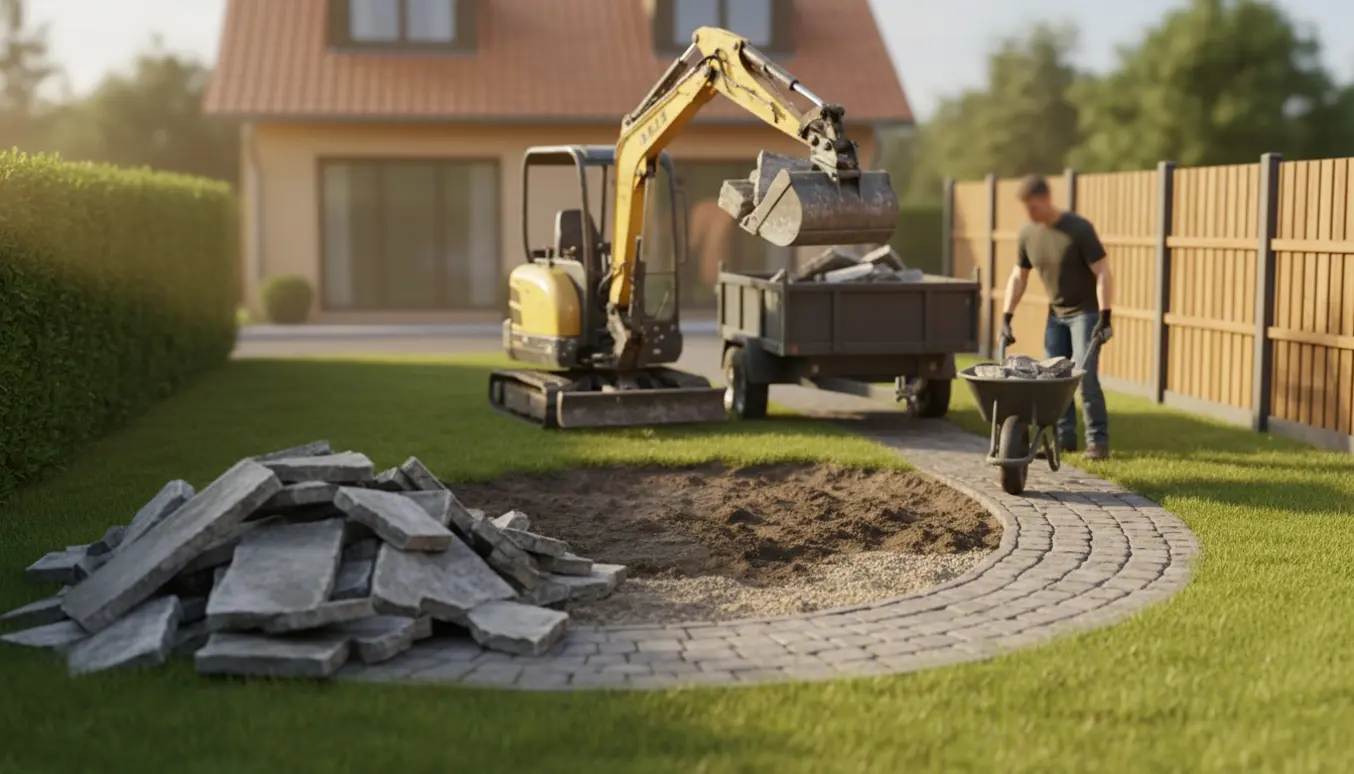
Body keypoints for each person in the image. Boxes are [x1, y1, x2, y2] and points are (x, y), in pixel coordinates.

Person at [1000, 174, 1115, 460]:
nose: (1030, 214)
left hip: (1085, 314)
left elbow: (1103, 271)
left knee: (1084, 378)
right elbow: (1019, 276)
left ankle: (1098, 443)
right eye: (1026, 209)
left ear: (1046, 199)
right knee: (1052, 379)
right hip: (1056, 315)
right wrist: (1006, 315)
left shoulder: (1078, 229)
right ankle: (1064, 440)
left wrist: (1105, 315)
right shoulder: (1029, 233)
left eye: (1033, 207)